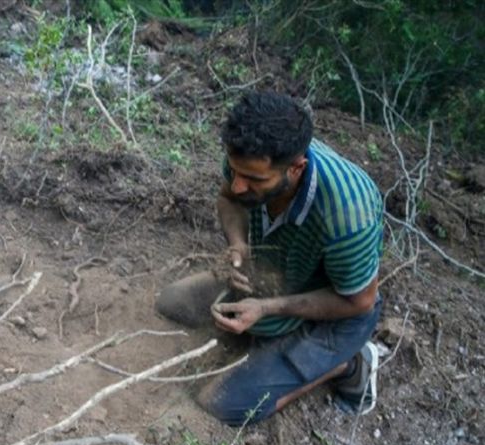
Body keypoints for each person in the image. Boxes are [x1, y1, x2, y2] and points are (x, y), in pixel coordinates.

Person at [156, 91, 383, 426]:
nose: (237, 185)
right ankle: (265, 337)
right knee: (170, 302)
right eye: (235, 172)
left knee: (222, 405)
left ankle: (349, 363)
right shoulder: (247, 159)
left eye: (253, 180)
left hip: (336, 312)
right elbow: (228, 200)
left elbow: (359, 301)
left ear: (296, 169)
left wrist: (266, 308)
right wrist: (239, 246)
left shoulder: (348, 213)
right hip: (277, 272)